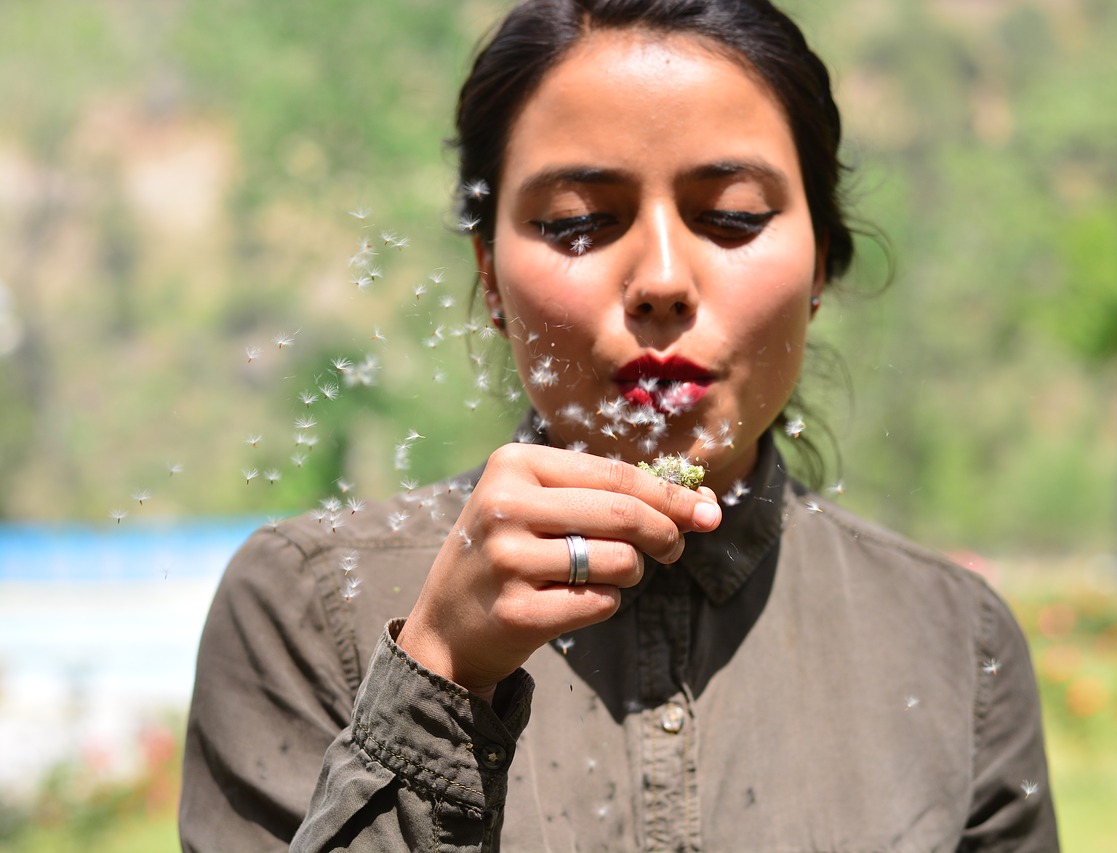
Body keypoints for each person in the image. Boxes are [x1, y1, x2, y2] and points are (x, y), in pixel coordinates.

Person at [179, 1, 1059, 850]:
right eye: (579, 223)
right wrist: (440, 675)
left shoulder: (953, 641)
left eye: (733, 216)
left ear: (822, 258)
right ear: (489, 275)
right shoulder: (304, 606)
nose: (663, 279)